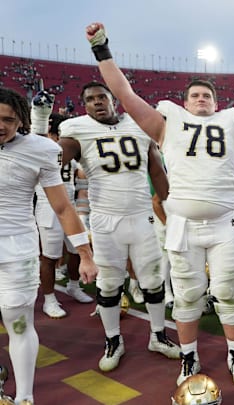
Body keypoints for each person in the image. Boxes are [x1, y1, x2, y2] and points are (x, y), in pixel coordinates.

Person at [85, 22, 234, 385]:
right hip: (182, 224)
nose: (201, 100)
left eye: (207, 96)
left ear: (216, 103)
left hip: (223, 225)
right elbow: (124, 93)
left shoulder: (232, 126)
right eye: (195, 95)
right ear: (184, 103)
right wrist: (101, 48)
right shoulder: (166, 125)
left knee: (229, 293)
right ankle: (188, 357)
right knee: (186, 296)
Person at [58, 81, 181, 373]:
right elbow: (58, 154)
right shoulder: (77, 129)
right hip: (105, 220)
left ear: (114, 100)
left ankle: (158, 335)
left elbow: (156, 168)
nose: (97, 103)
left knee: (152, 280)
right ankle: (113, 339)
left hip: (141, 217)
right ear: (84, 106)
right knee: (109, 283)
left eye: (102, 97)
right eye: (90, 99)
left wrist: (173, 210)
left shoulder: (138, 125)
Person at [0, 87, 98, 404]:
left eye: (9, 119)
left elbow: (63, 207)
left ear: (22, 121)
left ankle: (25, 396)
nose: (1, 125)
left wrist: (84, 253)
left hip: (17, 250)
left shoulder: (39, 149)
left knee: (18, 322)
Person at [34, 112, 94, 319]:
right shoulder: (39, 150)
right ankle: (49, 299)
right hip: (47, 207)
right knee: (49, 256)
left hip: (71, 206)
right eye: (56, 134)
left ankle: (74, 286)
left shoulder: (68, 154)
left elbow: (82, 176)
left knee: (77, 250)